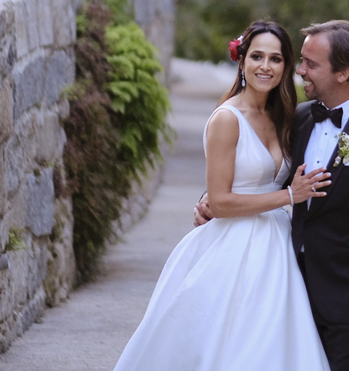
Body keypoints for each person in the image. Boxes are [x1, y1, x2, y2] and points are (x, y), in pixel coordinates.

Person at [197, 19, 349, 371]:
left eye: (310, 64)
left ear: (343, 72)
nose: (298, 69)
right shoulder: (297, 118)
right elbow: (261, 169)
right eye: (300, 60)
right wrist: (212, 200)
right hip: (288, 291)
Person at [111, 21, 333, 371]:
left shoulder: (282, 117)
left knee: (272, 345)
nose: (265, 66)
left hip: (276, 246)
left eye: (275, 59)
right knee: (227, 341)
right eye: (257, 56)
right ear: (241, 60)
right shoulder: (227, 118)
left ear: (285, 67)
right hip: (233, 246)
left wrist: (287, 195)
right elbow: (223, 201)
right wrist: (290, 195)